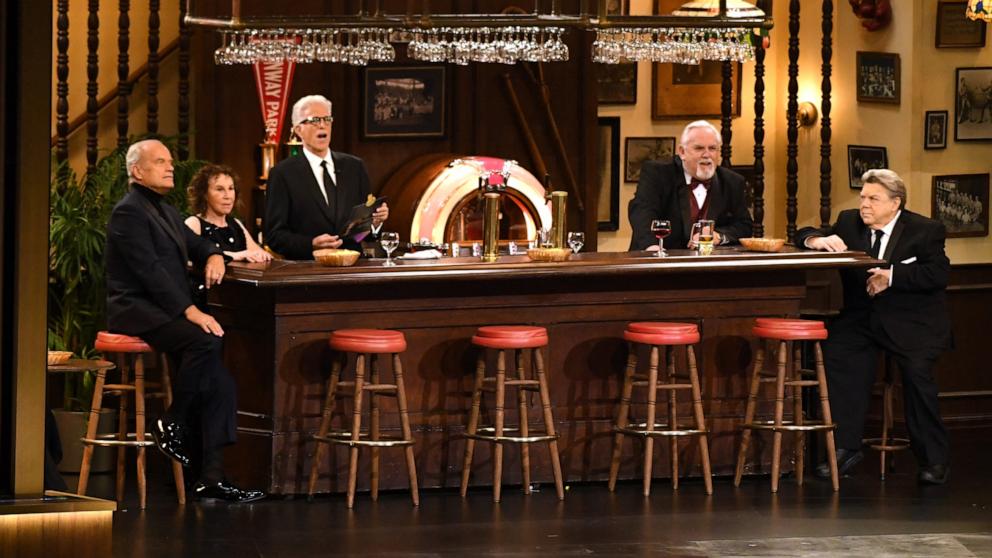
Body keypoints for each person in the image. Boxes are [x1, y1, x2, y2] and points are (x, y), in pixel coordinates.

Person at [105, 139, 266, 502]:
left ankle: (210, 476)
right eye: (160, 162)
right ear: (137, 171)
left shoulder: (165, 209)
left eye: (169, 161)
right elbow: (150, 274)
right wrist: (190, 311)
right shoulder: (128, 212)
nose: (170, 166)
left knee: (221, 381)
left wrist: (214, 256)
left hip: (166, 310)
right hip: (139, 310)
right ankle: (172, 421)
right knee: (205, 340)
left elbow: (198, 245)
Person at [796, 169, 952, 485]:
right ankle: (844, 448)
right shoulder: (848, 222)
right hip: (862, 320)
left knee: (918, 377)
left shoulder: (925, 230)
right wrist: (817, 239)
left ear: (896, 203)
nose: (864, 204)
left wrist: (892, 276)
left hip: (912, 322)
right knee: (837, 356)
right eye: (863, 197)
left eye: (873, 199)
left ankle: (933, 460)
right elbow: (802, 233)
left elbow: (938, 274)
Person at [264, 94, 389, 260]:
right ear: (298, 129)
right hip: (307, 272)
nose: (322, 125)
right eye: (315, 120)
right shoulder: (282, 174)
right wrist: (311, 244)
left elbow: (363, 233)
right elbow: (274, 236)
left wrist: (375, 223)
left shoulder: (354, 167)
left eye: (327, 119)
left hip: (351, 270)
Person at [628, 120, 753, 251]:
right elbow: (641, 213)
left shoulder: (732, 181)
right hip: (661, 261)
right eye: (699, 148)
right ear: (682, 152)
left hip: (710, 265)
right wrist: (652, 248)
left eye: (712, 148)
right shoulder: (658, 173)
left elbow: (744, 225)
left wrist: (718, 236)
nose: (707, 155)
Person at [185, 164, 272, 311]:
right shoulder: (194, 223)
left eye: (231, 189)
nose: (228, 196)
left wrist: (264, 256)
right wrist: (236, 255)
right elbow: (187, 260)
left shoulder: (235, 224)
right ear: (204, 194)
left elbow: (257, 254)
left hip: (239, 299)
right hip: (206, 302)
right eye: (220, 189)